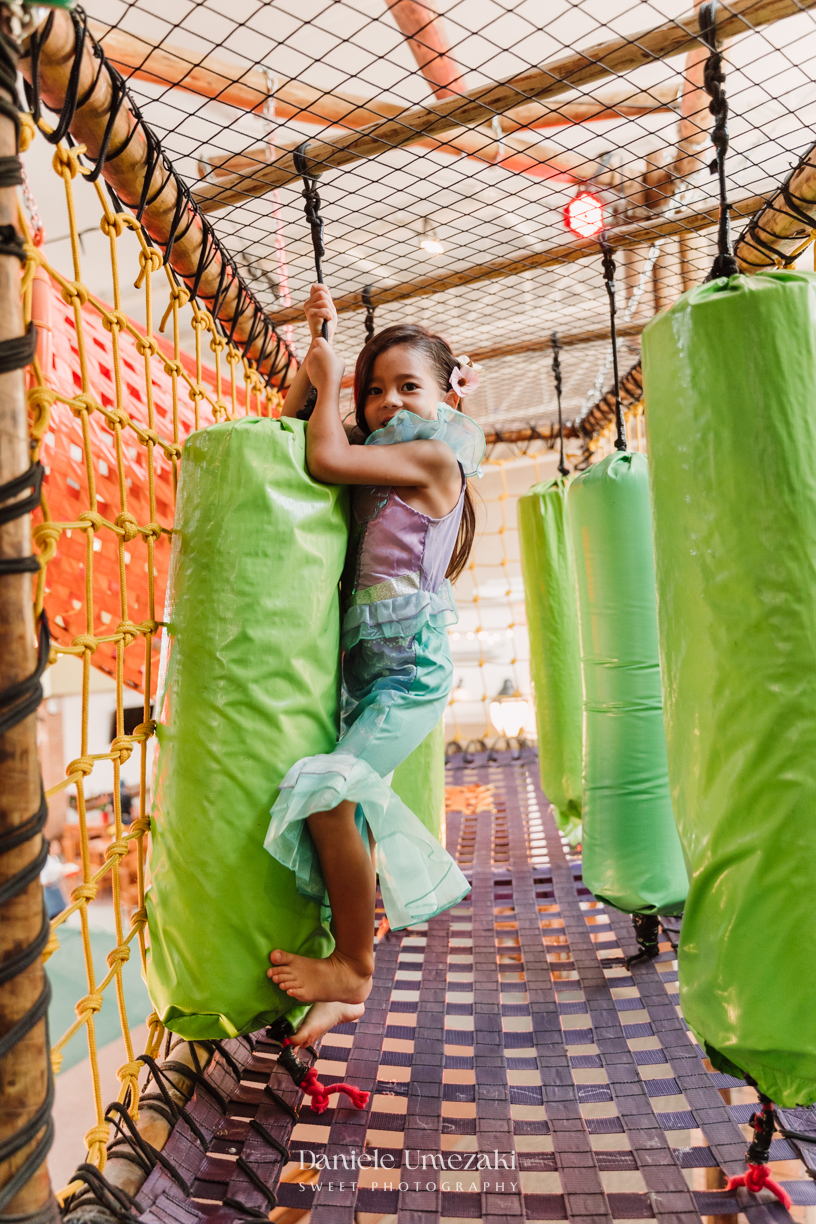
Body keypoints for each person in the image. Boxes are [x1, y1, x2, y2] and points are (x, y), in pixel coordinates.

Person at [264, 284, 484, 1029]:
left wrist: (330, 379)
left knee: (329, 796)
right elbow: (293, 431)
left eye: (408, 386)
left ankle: (354, 967)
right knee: (343, 810)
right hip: (366, 678)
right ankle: (339, 978)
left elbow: (324, 455)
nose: (388, 402)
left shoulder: (433, 458)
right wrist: (319, 351)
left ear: (448, 396)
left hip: (409, 678)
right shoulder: (377, 456)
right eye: (374, 390)